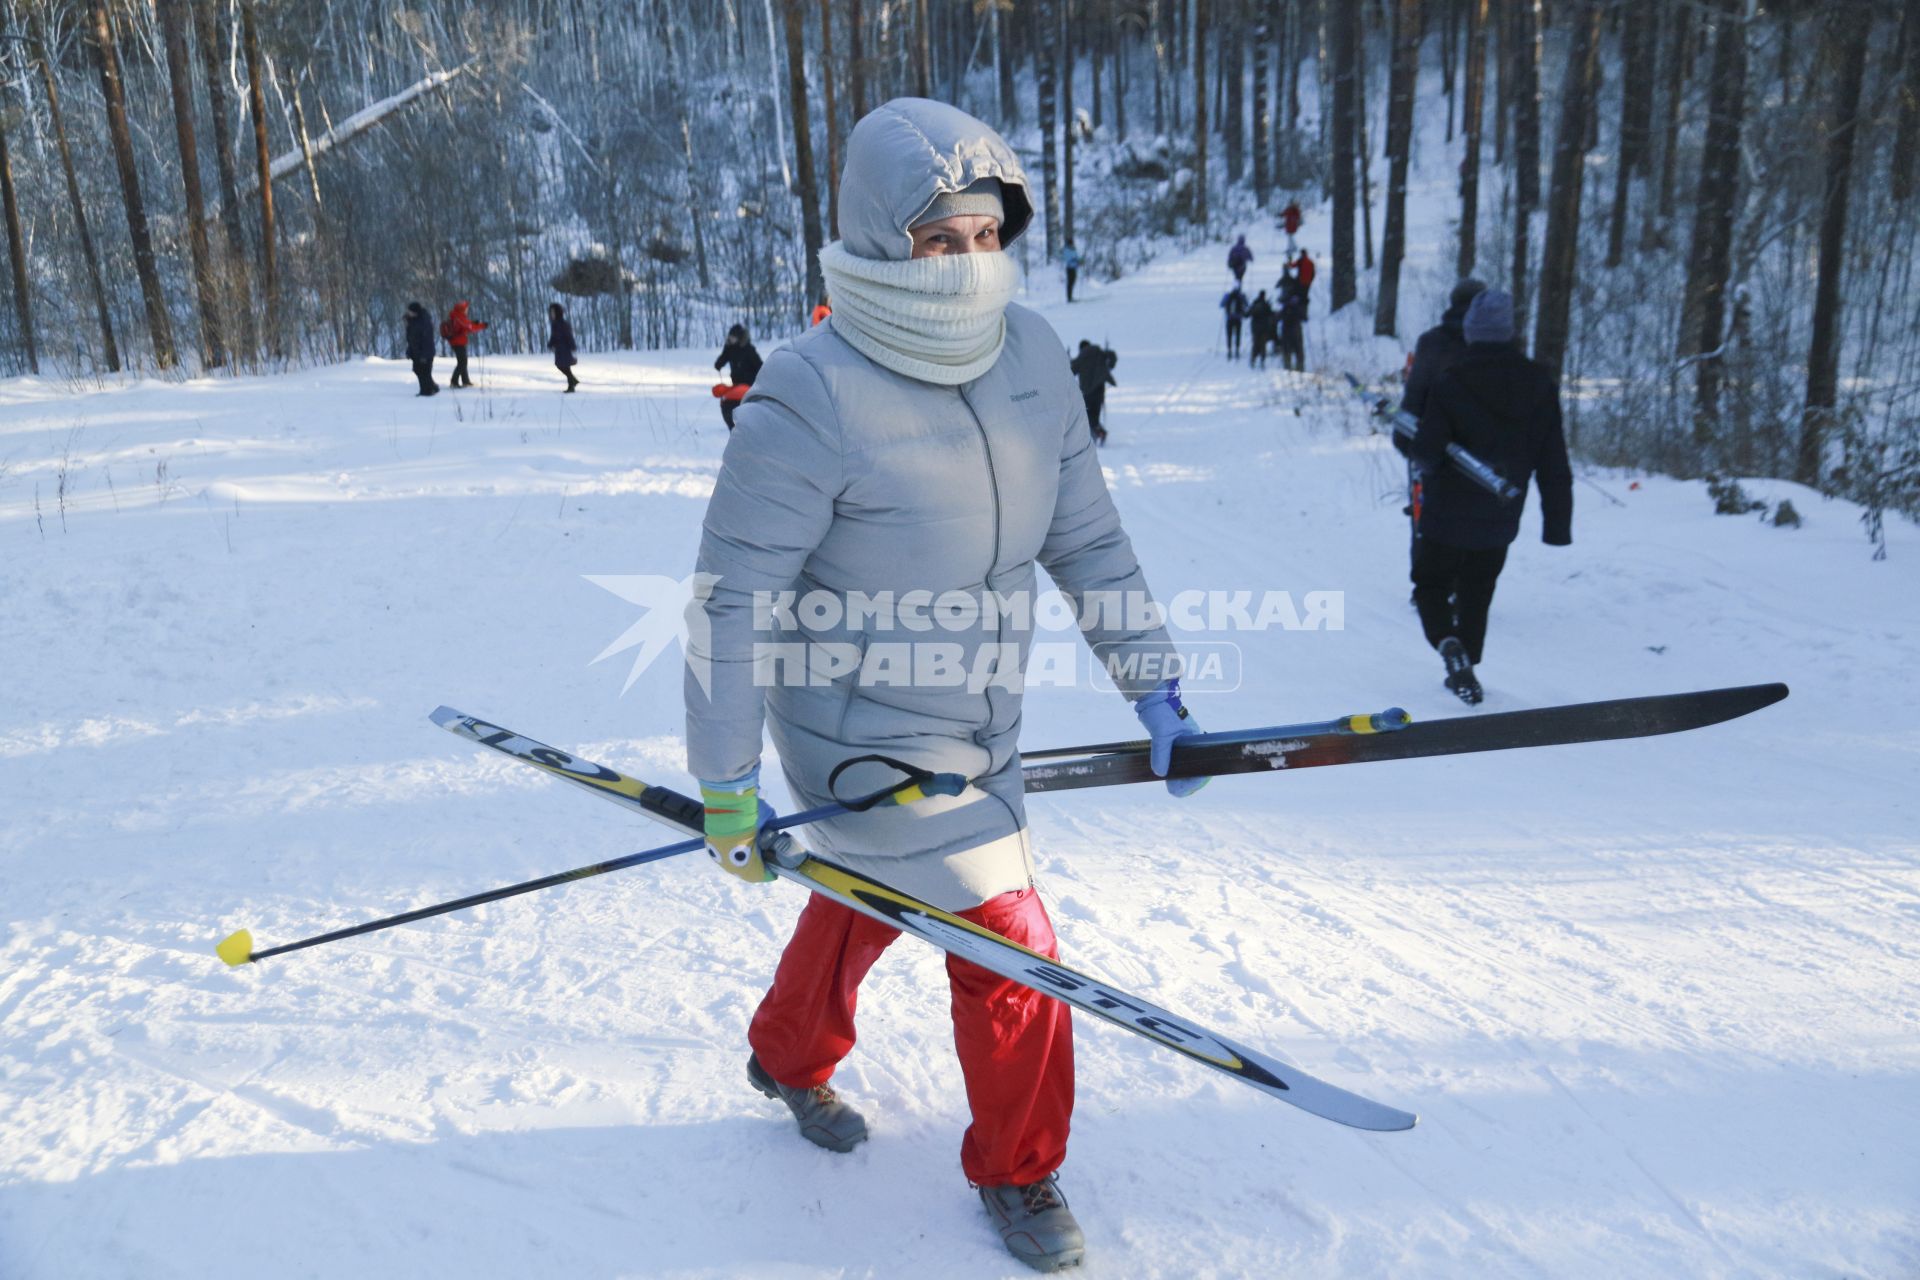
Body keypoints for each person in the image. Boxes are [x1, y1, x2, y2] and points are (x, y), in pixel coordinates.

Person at [685, 97, 1206, 1275]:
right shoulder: (807, 395)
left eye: (986, 237)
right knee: (1009, 939)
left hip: (980, 721)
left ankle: (787, 1051)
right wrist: (725, 779)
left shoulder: (1029, 356)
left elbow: (1089, 537)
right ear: (881, 243)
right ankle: (1021, 1169)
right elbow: (731, 604)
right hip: (854, 727)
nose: (972, 264)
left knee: (863, 889)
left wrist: (1155, 685)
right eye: (940, 241)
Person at [1410, 289, 1572, 705]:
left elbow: (1427, 451)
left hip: (1446, 512)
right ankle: (1469, 659)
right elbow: (1554, 461)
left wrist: (1426, 457)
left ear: (1471, 332)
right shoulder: (1540, 383)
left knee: (1430, 583)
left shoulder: (1452, 379)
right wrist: (1557, 525)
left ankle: (1448, 643)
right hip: (1500, 515)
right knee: (1478, 590)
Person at [1395, 279, 1488, 573]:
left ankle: (1427, 577)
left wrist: (1405, 439)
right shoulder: (1495, 347)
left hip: (1430, 443)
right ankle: (1465, 580)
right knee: (1472, 516)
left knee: (1427, 511)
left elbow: (1415, 393)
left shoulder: (1432, 342)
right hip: (1480, 447)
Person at [712, 323, 762, 429]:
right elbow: (722, 358)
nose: (731, 338)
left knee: (737, 401)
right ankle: (733, 422)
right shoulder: (730, 348)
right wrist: (718, 364)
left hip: (749, 384)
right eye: (730, 336)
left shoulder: (749, 349)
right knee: (722, 394)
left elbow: (760, 366)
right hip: (736, 383)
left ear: (739, 337)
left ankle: (743, 422)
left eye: (733, 337)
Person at [1070, 338, 1117, 444]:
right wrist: (1108, 363)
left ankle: (1098, 433)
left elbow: (1072, 370)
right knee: (1095, 413)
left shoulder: (1082, 356)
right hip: (1099, 389)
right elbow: (1112, 358)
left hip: (1087, 391)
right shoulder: (1099, 352)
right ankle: (1097, 434)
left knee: (1088, 414)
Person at [440, 300, 488, 389]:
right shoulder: (459, 317)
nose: (467, 309)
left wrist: (473, 323)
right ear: (463, 309)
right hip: (457, 342)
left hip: (458, 341)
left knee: (462, 362)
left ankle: (465, 380)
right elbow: (470, 328)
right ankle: (454, 382)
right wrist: (482, 325)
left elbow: (465, 327)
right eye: (466, 308)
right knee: (462, 362)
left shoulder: (457, 316)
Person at [1276, 270, 1308, 372]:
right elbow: (1304, 317)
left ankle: (1287, 367)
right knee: (1298, 348)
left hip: (1286, 328)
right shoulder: (1297, 303)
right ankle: (1300, 366)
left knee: (1287, 348)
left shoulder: (1285, 305)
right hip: (1296, 328)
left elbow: (1278, 317)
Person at [404, 301, 438, 396]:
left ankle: (426, 391)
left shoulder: (424, 322)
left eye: (410, 311)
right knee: (418, 370)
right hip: (416, 351)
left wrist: (424, 355)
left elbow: (427, 340)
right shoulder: (412, 321)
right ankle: (432, 388)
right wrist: (410, 351)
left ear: (415, 312)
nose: (408, 313)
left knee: (424, 372)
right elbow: (411, 339)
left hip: (425, 352)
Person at [547, 302, 579, 392]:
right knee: (560, 365)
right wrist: (550, 344)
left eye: (553, 312)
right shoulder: (554, 324)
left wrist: (573, 347)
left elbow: (569, 335)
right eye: (551, 312)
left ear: (557, 312)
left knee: (565, 366)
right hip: (559, 349)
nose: (551, 314)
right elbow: (553, 336)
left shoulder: (563, 323)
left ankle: (571, 386)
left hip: (565, 348)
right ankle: (573, 381)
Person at [1247, 290, 1276, 369]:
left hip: (1255, 328)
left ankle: (1253, 360)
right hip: (1264, 329)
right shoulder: (1266, 305)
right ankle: (1262, 361)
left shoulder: (1255, 303)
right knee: (1263, 345)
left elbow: (1248, 313)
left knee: (1255, 344)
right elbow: (1271, 315)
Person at [1220, 283, 1249, 359]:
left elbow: (1221, 305)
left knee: (1229, 335)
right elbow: (1246, 305)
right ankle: (1237, 350)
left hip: (1229, 318)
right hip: (1238, 319)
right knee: (1238, 334)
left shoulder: (1227, 296)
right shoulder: (1241, 296)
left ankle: (1229, 350)